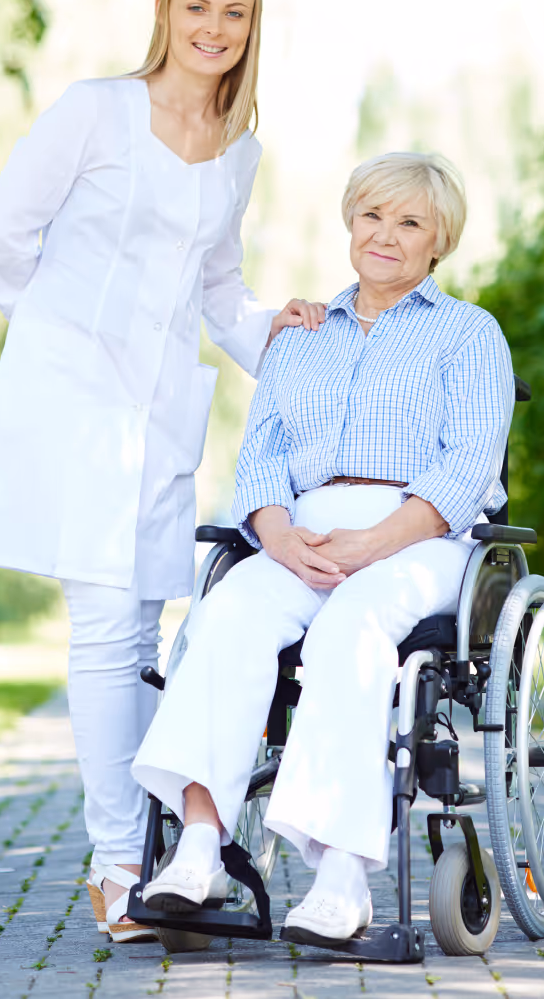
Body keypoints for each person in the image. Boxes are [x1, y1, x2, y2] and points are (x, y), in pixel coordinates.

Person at [0, 0, 324, 942]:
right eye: (197, 8)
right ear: (164, 9)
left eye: (236, 15)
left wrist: (282, 340)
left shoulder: (236, 146)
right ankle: (117, 866)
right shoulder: (97, 110)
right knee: (101, 626)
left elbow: (216, 291)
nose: (214, 30)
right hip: (75, 403)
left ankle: (149, 855)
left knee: (145, 633)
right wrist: (55, 342)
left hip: (166, 410)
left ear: (253, 30)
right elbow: (1, 236)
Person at [131, 150, 515, 945]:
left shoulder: (469, 334)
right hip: (301, 531)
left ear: (438, 241)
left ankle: (343, 875)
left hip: (420, 535)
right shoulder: (300, 335)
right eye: (372, 215)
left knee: (355, 624)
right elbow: (262, 454)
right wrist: (275, 533)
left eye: (410, 222)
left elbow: (467, 464)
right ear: (350, 221)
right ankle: (201, 846)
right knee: (227, 609)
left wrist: (376, 540)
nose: (385, 235)